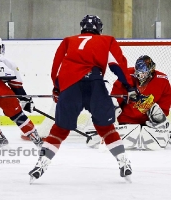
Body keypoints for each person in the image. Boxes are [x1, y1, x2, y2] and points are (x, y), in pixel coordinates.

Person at [28, 15, 138, 182]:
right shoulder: (106, 40)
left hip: (71, 86)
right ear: (99, 28)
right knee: (106, 128)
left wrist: (57, 87)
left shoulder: (68, 40)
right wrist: (129, 87)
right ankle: (124, 163)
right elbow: (117, 65)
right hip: (95, 85)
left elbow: (56, 66)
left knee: (59, 130)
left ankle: (41, 164)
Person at [87, 55, 171, 150]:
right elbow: (115, 98)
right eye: (139, 74)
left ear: (151, 70)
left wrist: (159, 121)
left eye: (144, 74)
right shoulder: (126, 75)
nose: (141, 76)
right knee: (111, 103)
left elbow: (165, 105)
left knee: (156, 110)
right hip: (127, 122)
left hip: (149, 123)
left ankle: (160, 133)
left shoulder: (162, 80)